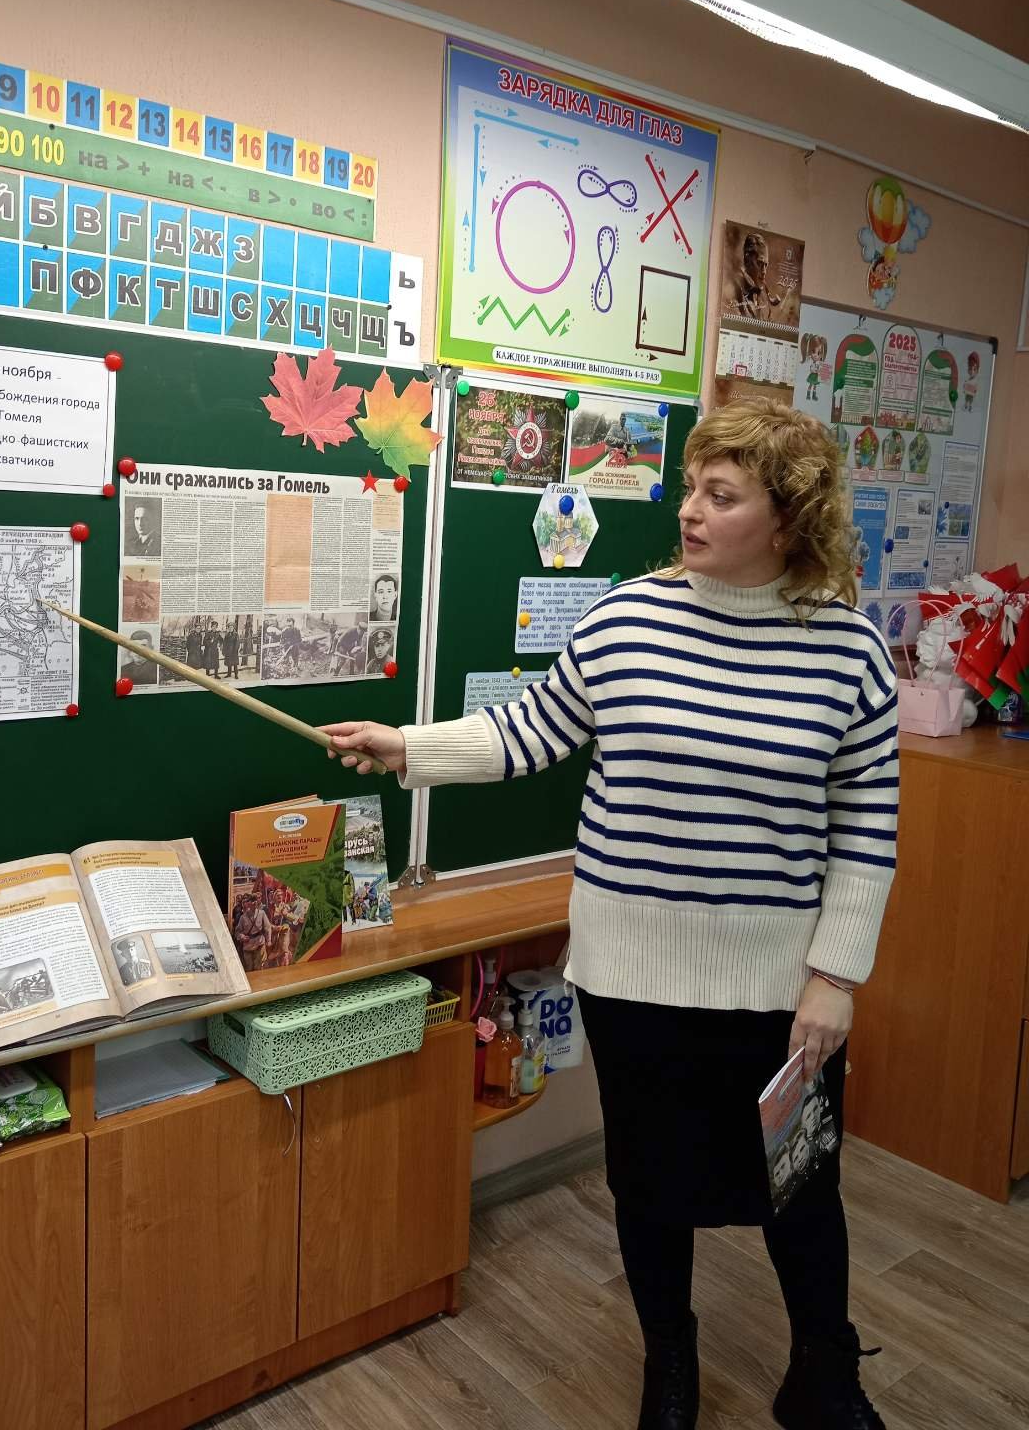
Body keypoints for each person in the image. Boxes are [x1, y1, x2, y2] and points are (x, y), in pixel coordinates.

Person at [324, 401, 898, 1430]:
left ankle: (823, 1372)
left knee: (802, 1186)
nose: (689, 511)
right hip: (632, 975)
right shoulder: (626, 620)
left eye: (721, 495)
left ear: (786, 518)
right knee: (651, 1185)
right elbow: (528, 731)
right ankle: (669, 1362)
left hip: (779, 986)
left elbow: (867, 829)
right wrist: (406, 747)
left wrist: (835, 978)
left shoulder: (848, 652)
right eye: (691, 488)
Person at [730, 231, 782, 323]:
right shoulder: (733, 289)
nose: (764, 271)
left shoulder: (764, 298)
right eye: (759, 263)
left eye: (766, 265)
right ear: (747, 259)